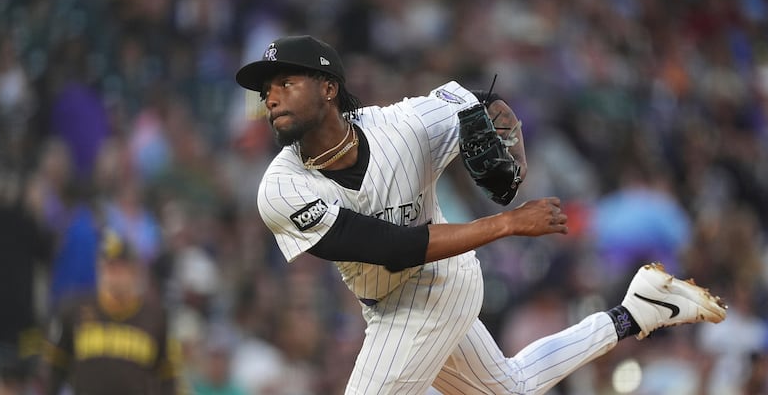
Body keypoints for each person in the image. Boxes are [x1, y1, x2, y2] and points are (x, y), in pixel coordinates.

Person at [236, 35, 728, 394]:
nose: (271, 96)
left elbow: (484, 106)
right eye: (265, 91)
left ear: (327, 87)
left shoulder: (403, 126)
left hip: (440, 283)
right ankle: (637, 311)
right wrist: (509, 223)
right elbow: (389, 248)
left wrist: (509, 140)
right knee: (508, 389)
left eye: (285, 81)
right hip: (387, 296)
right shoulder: (281, 189)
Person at [43, 229, 183, 395]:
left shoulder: (156, 317)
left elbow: (168, 377)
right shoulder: (74, 310)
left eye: (120, 269)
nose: (114, 276)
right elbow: (55, 368)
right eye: (109, 268)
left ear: (134, 272)